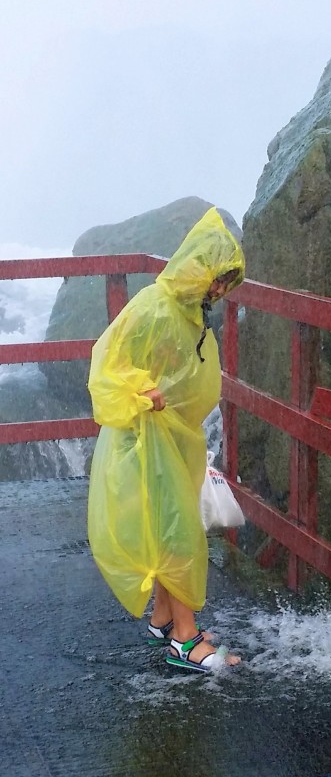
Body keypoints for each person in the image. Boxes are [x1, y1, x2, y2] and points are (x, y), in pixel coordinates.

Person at [87, 207, 245, 673]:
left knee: (168, 526)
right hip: (146, 439)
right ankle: (184, 638)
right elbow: (107, 363)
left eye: (226, 283)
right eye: (217, 279)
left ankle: (163, 618)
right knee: (176, 532)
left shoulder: (190, 310)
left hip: (173, 435)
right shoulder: (155, 307)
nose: (219, 291)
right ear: (196, 267)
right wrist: (141, 391)